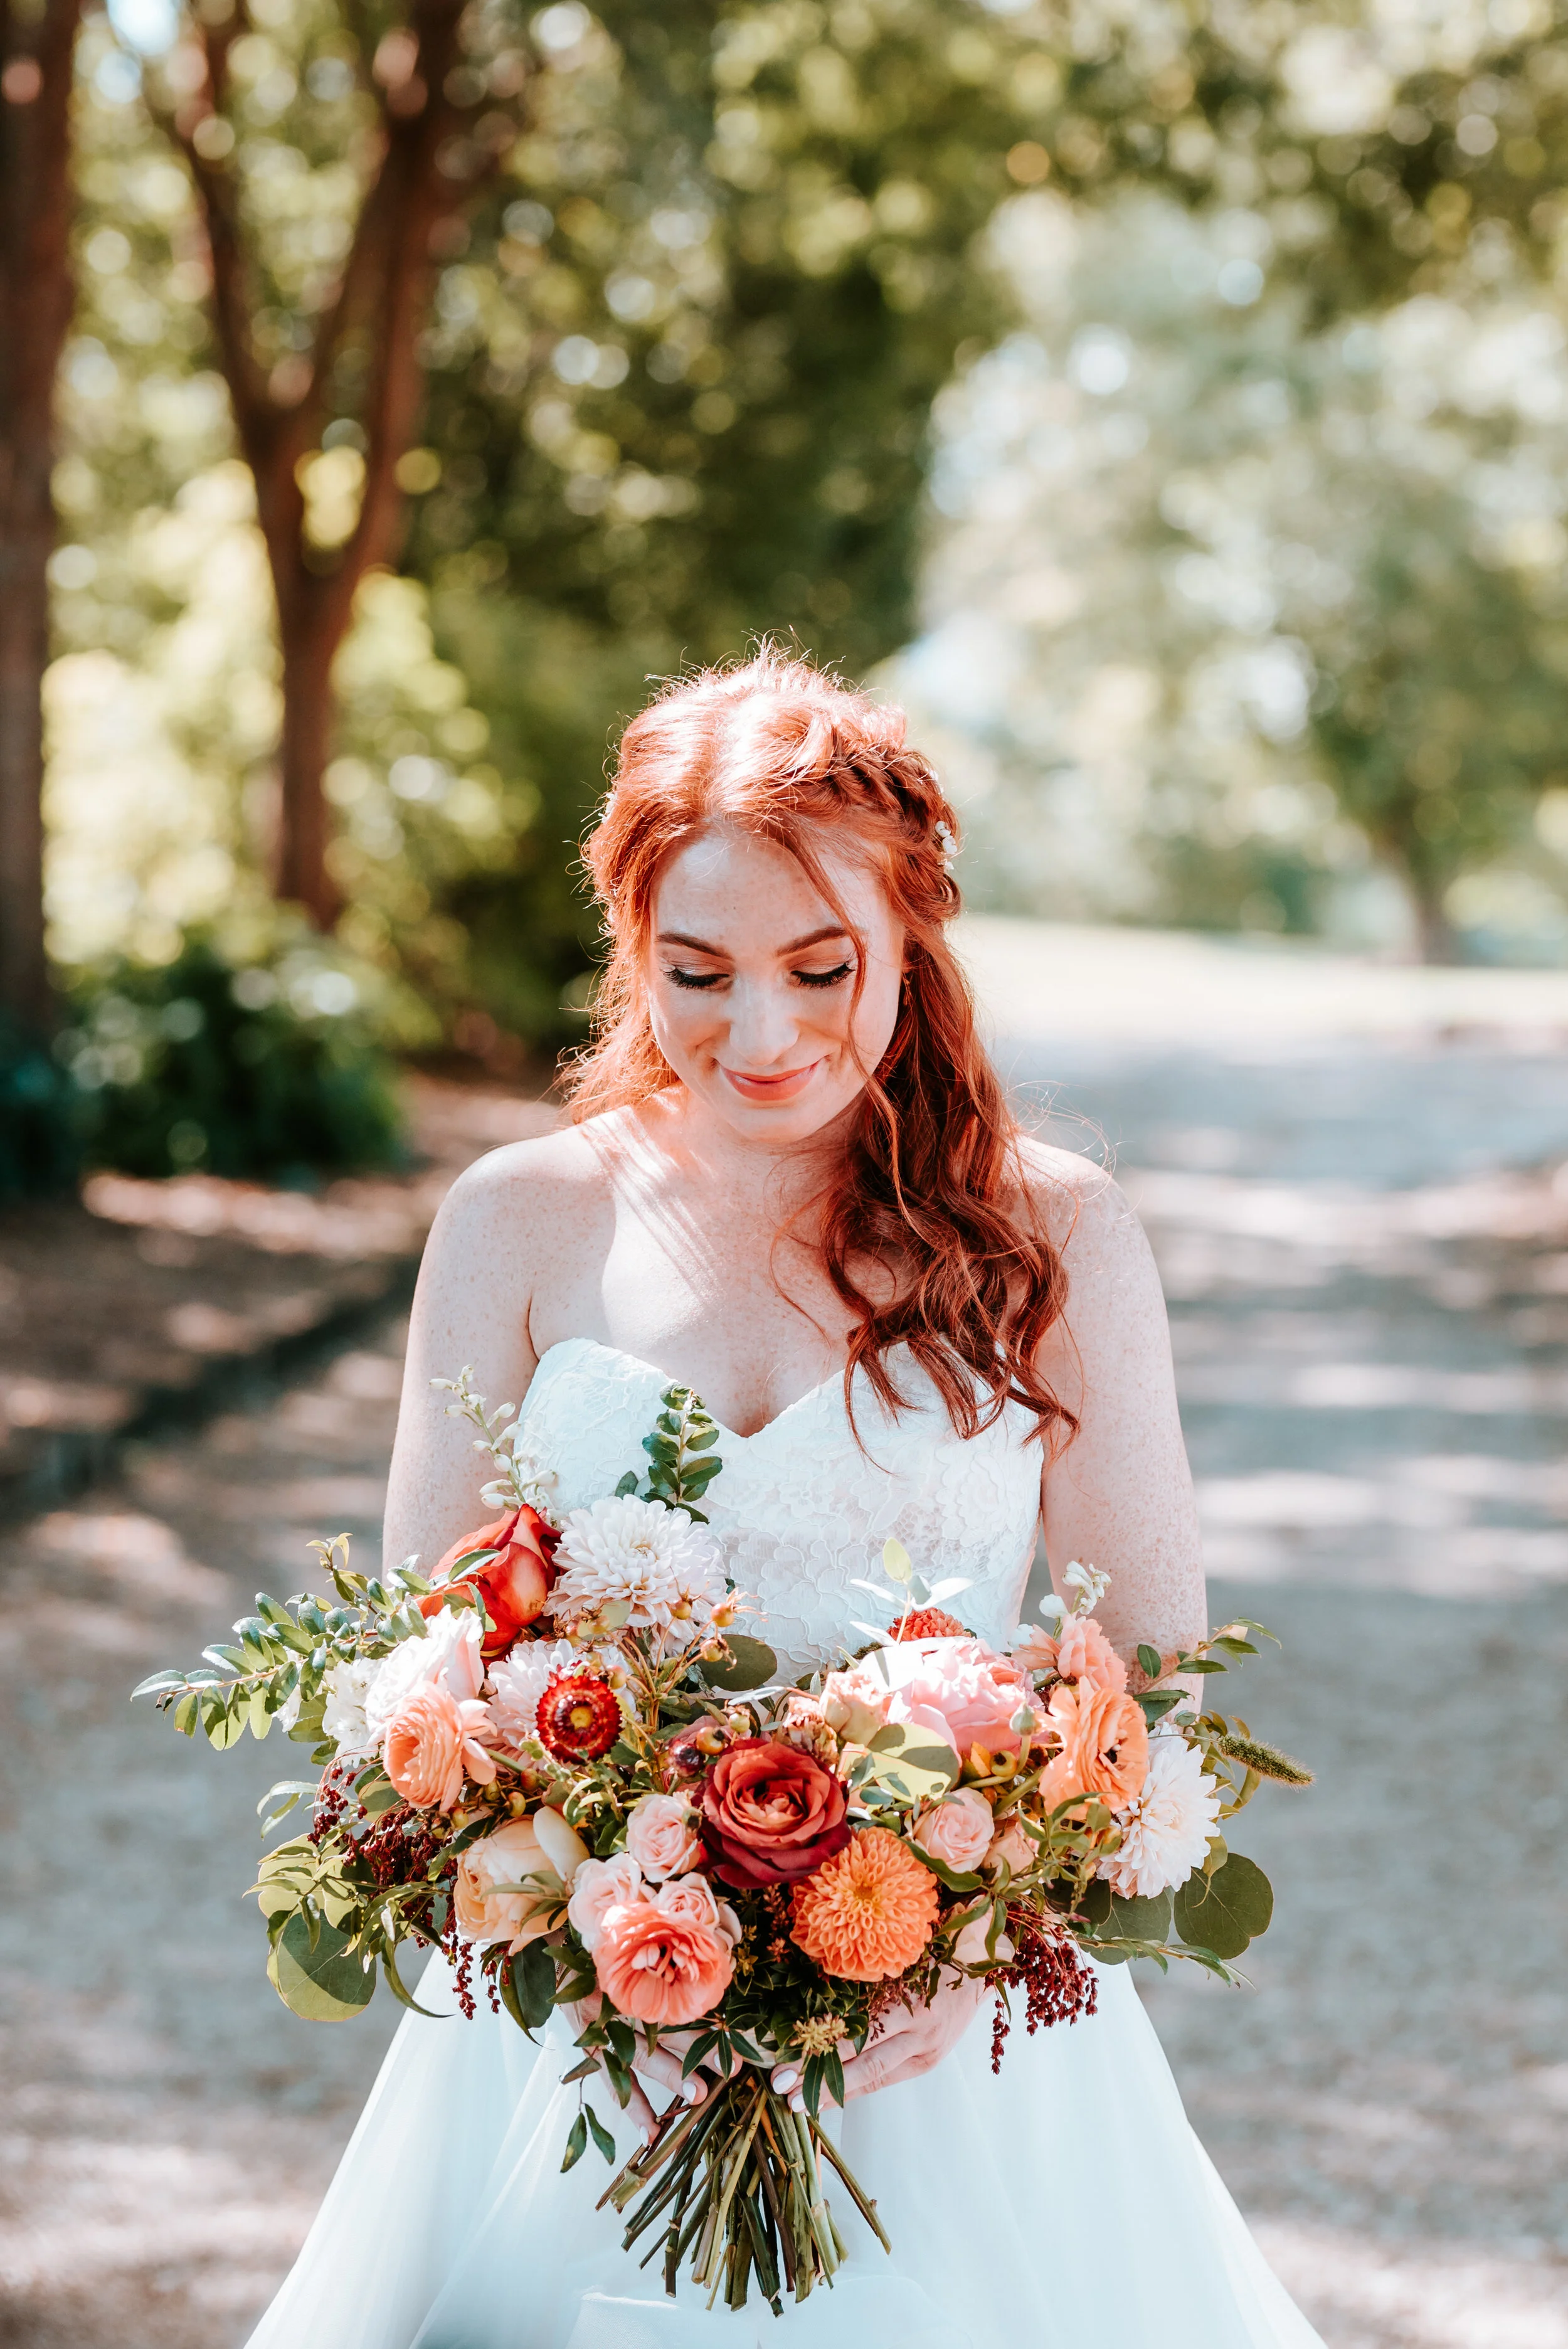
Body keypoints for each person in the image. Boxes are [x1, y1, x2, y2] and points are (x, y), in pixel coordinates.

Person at [246, 653, 1323, 2348]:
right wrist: (594, 1895)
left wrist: (968, 1938)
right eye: (698, 971)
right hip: (589, 2021)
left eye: (822, 968)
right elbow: (424, 1667)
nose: (761, 1035)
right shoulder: (517, 1218)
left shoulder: (1054, 1236)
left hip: (951, 2039)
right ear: (631, 946)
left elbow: (1154, 1674)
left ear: (913, 934)